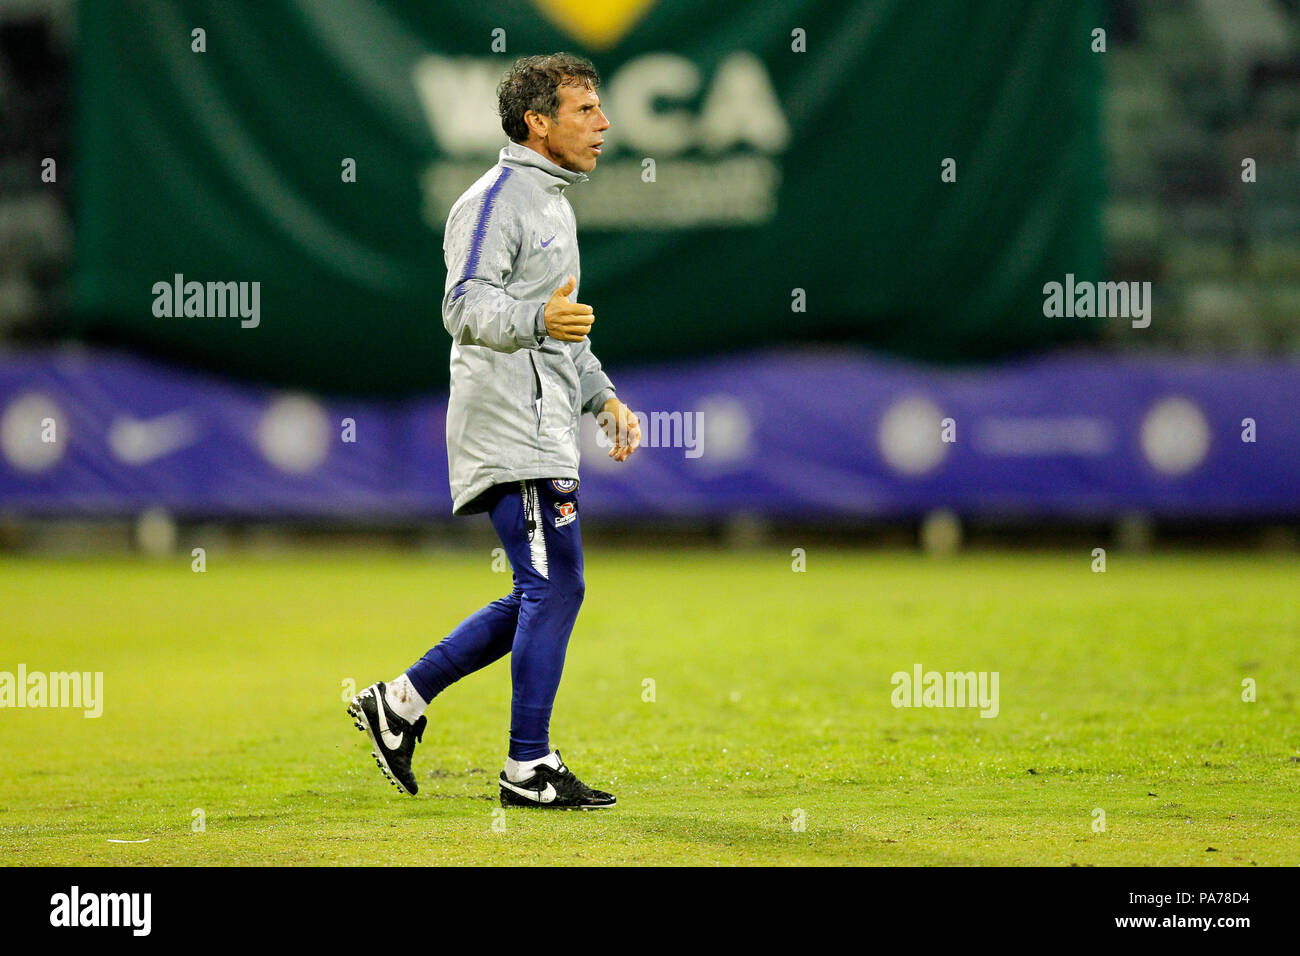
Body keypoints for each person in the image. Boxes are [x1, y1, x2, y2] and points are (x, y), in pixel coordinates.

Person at [348, 52, 640, 809]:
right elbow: (463, 307)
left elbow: (563, 324)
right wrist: (537, 319)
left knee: (542, 589)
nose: (604, 123)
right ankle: (527, 766)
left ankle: (401, 702)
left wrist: (602, 395)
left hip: (542, 421)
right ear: (538, 123)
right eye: (585, 110)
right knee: (556, 584)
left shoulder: (552, 201)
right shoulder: (493, 200)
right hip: (507, 424)